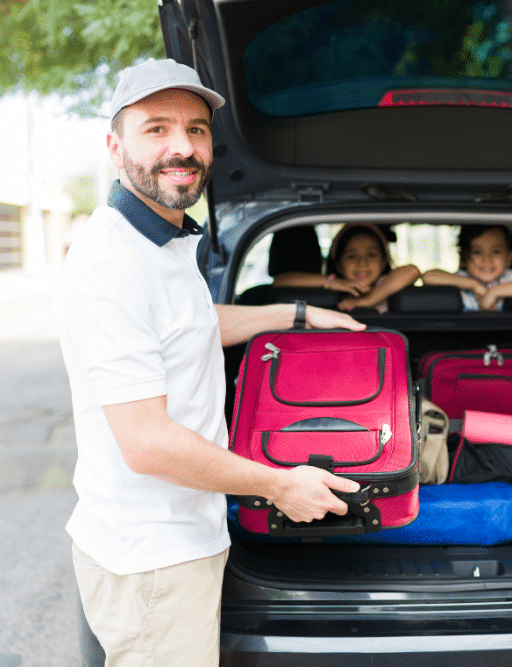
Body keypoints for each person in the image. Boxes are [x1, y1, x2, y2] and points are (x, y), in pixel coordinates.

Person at [53, 58, 366, 667]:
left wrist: (295, 315)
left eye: (196, 130)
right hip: (153, 559)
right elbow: (146, 443)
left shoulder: (160, 241)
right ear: (116, 149)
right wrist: (281, 485)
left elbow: (187, 329)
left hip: (179, 538)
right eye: (157, 129)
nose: (183, 146)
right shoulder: (112, 263)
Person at [272, 223, 420, 312]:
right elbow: (280, 280)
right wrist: (331, 282)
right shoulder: (329, 289)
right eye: (351, 256)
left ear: (383, 262)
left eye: (371, 255)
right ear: (339, 266)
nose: (362, 263)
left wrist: (367, 301)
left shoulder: (386, 285)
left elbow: (412, 271)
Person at [421, 224, 512, 311]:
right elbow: (428, 276)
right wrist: (473, 285)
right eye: (477, 252)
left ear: (509, 258)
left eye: (496, 252)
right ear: (464, 258)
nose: (487, 259)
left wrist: (494, 293)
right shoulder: (461, 278)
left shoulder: (511, 278)